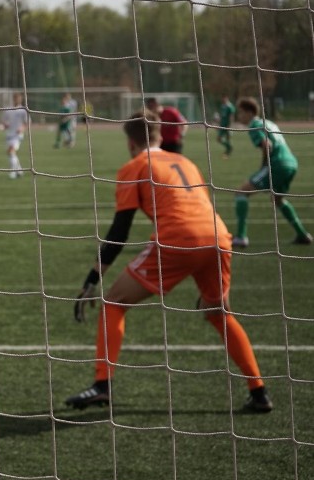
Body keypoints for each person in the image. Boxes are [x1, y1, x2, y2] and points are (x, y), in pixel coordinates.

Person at [66, 113, 272, 413]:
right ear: (160, 137)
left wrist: (92, 278)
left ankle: (101, 385)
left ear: (130, 142)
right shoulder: (185, 162)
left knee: (113, 303)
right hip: (218, 236)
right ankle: (259, 391)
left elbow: (119, 231)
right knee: (220, 314)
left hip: (178, 238)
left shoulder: (134, 167)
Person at [231, 97, 312, 247]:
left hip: (277, 164)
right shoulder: (269, 122)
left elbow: (267, 145)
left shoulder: (254, 125)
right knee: (278, 200)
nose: (238, 116)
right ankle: (302, 234)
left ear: (249, 112)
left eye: (240, 112)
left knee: (241, 193)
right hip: (291, 163)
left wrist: (263, 166)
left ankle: (241, 237)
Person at [1, 92, 28, 179]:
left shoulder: (23, 110)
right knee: (11, 153)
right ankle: (19, 170)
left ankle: (13, 172)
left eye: (19, 98)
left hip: (18, 135)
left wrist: (22, 128)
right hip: (9, 134)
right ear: (13, 99)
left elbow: (26, 123)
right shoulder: (8, 109)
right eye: (15, 98)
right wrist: (5, 125)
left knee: (11, 151)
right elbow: (4, 121)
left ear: (21, 99)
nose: (17, 100)